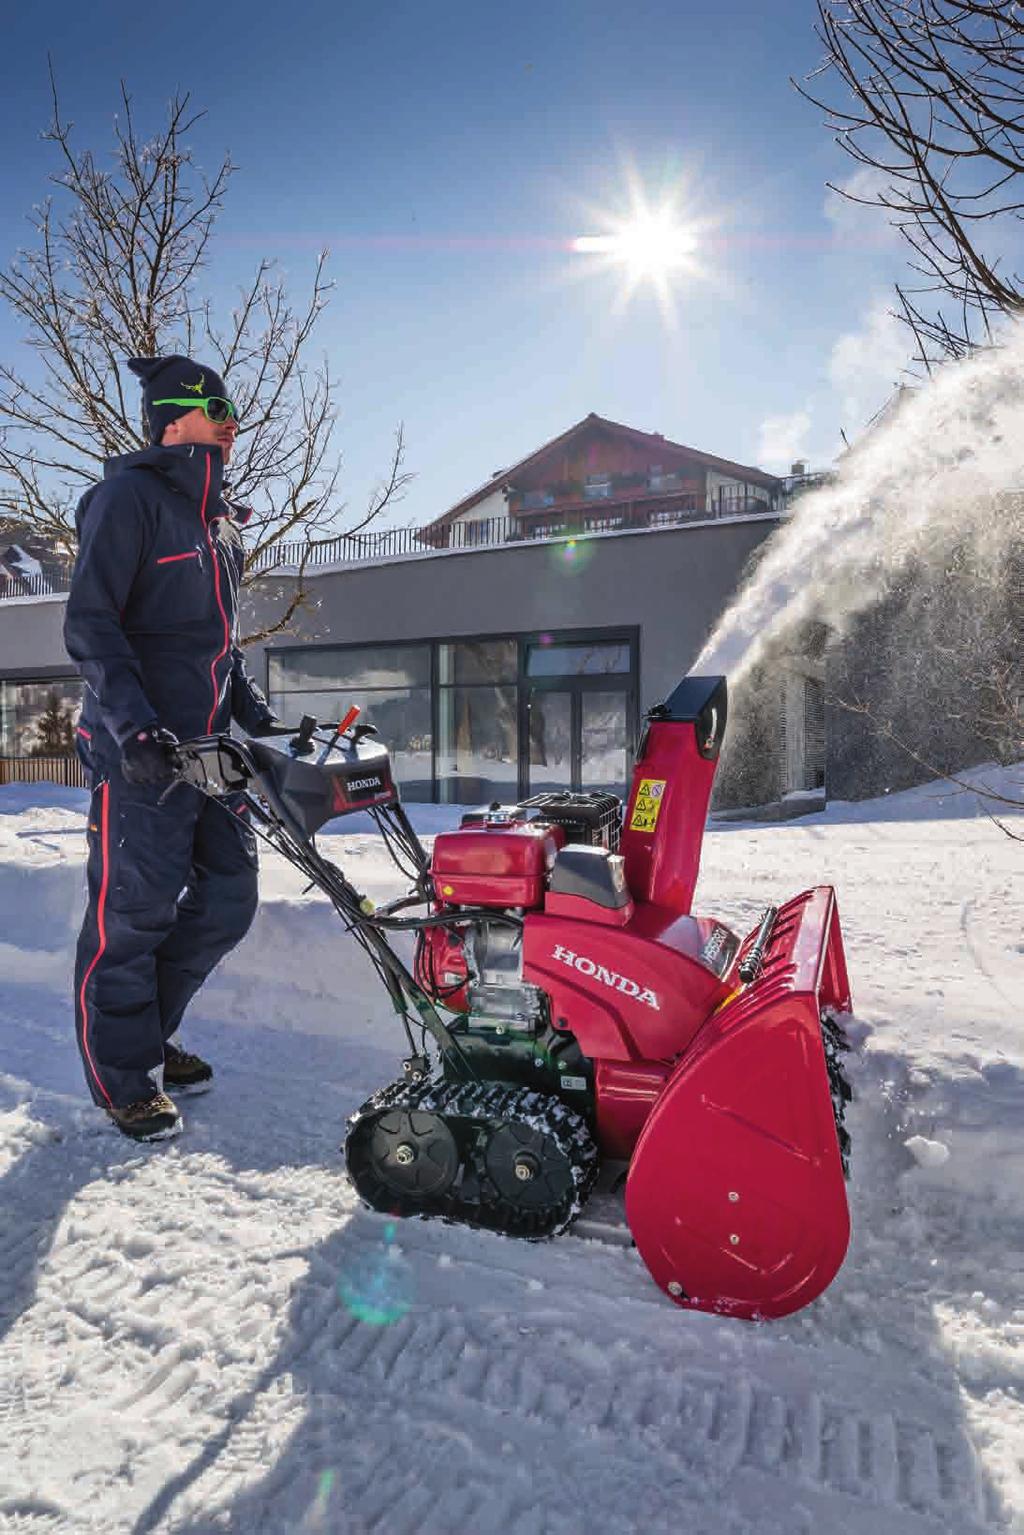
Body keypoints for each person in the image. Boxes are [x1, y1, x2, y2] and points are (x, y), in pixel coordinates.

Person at [64, 355, 278, 1142]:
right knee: (134, 913)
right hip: (144, 750)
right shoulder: (125, 501)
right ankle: (123, 1077)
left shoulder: (217, 523)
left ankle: (149, 1033)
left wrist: (256, 712)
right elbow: (91, 625)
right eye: (217, 404)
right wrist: (133, 725)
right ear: (172, 417)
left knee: (230, 894)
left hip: (210, 747)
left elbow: (215, 644)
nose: (231, 418)